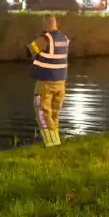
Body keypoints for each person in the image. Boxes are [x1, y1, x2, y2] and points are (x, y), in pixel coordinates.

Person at [27, 14, 71, 146]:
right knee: (54, 113)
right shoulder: (65, 38)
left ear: (45, 24)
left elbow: (29, 51)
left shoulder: (45, 39)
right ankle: (56, 139)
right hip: (61, 81)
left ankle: (51, 143)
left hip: (46, 81)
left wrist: (38, 37)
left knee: (42, 111)